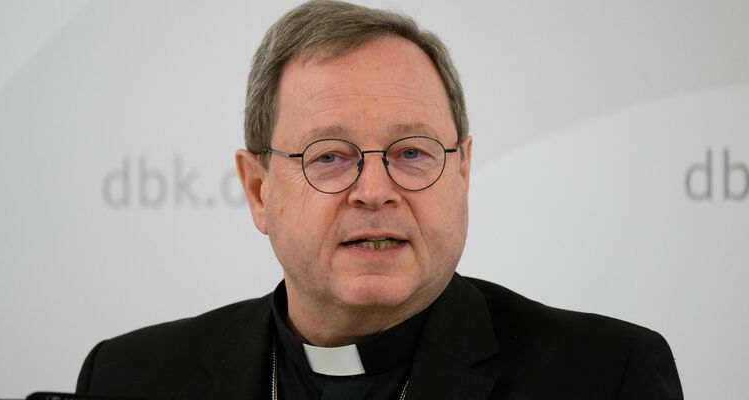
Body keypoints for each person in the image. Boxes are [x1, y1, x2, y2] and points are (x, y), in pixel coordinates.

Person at [76, 1, 684, 399]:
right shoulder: (129, 379)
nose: (374, 192)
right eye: (330, 157)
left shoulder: (608, 377)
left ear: (463, 172)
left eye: (412, 153)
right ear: (259, 190)